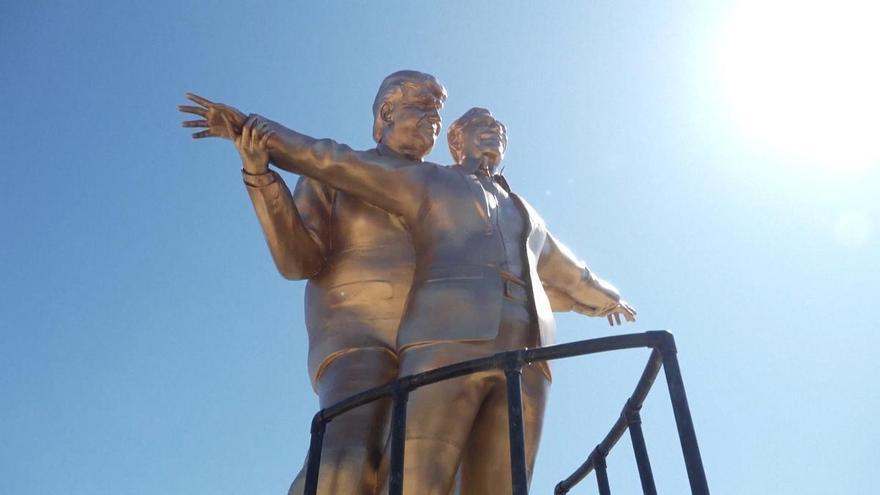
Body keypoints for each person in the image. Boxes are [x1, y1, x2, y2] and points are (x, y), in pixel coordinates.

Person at [225, 106, 636, 494]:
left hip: (529, 356)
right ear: (456, 142)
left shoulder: (528, 213)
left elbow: (570, 271)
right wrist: (256, 133)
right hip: (446, 338)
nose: (494, 132)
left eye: (501, 130)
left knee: (504, 482)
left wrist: (606, 300)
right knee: (414, 474)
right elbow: (336, 161)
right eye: (482, 126)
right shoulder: (431, 182)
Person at [179, 70, 447, 495]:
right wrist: (259, 173)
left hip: (435, 343)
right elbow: (297, 260)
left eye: (438, 110)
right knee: (347, 457)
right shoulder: (334, 174)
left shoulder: (448, 191)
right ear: (387, 112)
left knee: (431, 471)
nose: (434, 117)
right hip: (359, 342)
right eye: (422, 106)